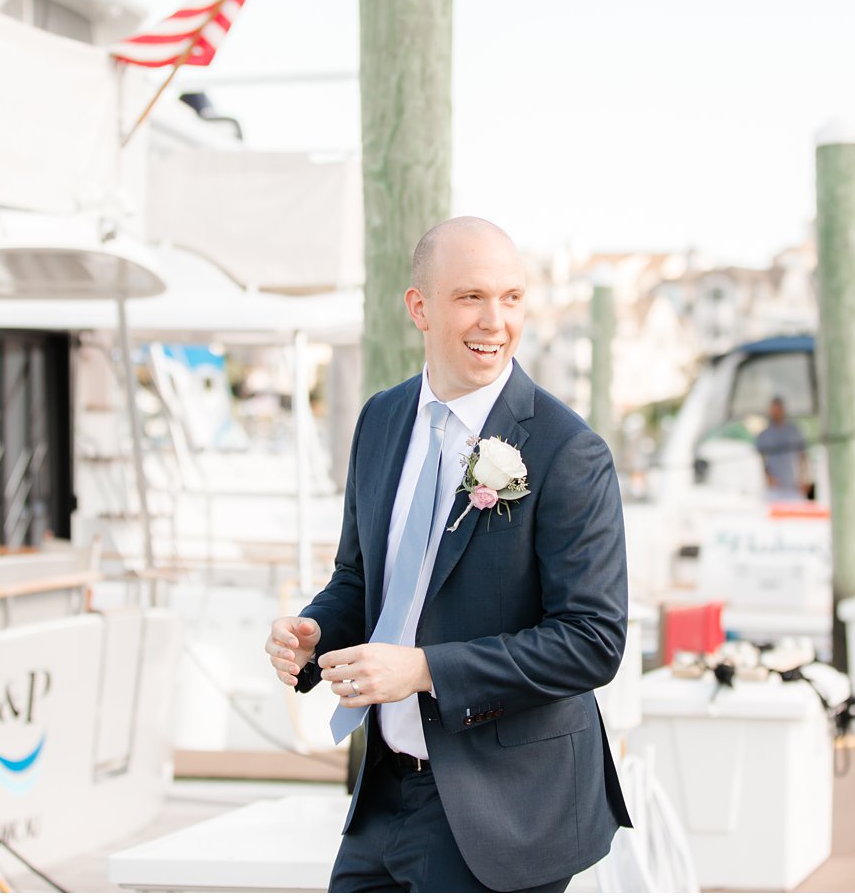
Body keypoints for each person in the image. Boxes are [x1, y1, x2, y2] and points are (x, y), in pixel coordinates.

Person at [265, 217, 631, 893]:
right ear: (419, 307)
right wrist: (318, 630)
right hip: (382, 797)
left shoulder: (567, 450)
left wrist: (426, 668)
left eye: (512, 298)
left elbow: (593, 640)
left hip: (502, 806)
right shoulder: (380, 418)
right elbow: (360, 575)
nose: (495, 321)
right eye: (471, 297)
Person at [756, 397, 808, 501]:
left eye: (778, 410)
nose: (776, 413)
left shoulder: (794, 432)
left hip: (794, 487)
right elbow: (758, 458)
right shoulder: (764, 435)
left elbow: (802, 456)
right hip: (774, 489)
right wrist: (767, 476)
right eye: (773, 410)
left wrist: (804, 478)